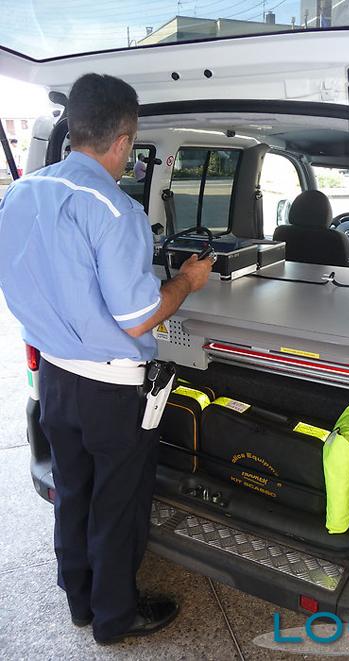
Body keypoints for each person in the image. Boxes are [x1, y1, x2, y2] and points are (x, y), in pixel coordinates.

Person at [0, 73, 212, 645]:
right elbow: (140, 317)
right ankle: (115, 618)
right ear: (123, 139)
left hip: (56, 380)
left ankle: (79, 601)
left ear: (74, 127)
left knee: (73, 492)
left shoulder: (20, 193)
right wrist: (188, 281)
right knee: (116, 506)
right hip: (114, 392)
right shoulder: (115, 212)